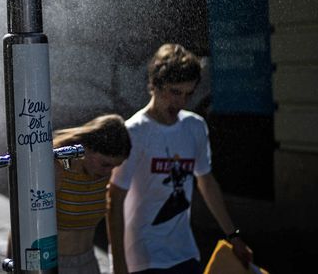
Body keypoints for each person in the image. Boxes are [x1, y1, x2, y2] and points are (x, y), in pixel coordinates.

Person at [107, 44, 253, 274]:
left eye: (188, 94)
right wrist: (118, 264)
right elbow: (114, 200)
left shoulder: (195, 127)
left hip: (185, 255)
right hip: (142, 259)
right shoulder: (134, 133)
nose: (181, 102)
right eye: (175, 92)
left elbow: (206, 182)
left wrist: (233, 236)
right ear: (154, 85)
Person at [53, 114, 132, 274]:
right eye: (105, 164)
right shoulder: (57, 168)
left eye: (115, 166)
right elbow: (23, 221)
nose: (109, 172)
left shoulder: (102, 174)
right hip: (54, 264)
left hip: (89, 263)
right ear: (86, 148)